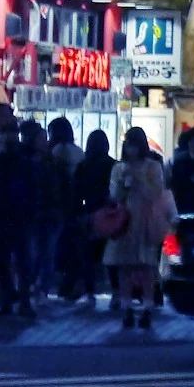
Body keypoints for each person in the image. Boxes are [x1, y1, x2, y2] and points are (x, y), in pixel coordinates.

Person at [104, 128, 176, 329]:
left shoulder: (153, 167)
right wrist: (122, 186)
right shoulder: (119, 168)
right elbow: (114, 195)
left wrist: (139, 181)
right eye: (128, 146)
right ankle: (126, 306)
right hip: (124, 221)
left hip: (147, 219)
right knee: (124, 265)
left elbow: (156, 193)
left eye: (134, 145)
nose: (131, 150)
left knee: (147, 267)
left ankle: (147, 306)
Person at [0, 111, 35, 318]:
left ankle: (17, 301)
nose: (7, 137)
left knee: (18, 263)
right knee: (6, 263)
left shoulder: (18, 162)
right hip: (3, 218)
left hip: (14, 217)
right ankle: (10, 301)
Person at [22, 121, 72, 302]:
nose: (45, 141)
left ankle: (40, 288)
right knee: (35, 253)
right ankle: (35, 287)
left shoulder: (52, 162)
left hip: (50, 214)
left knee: (46, 253)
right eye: (41, 138)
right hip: (37, 214)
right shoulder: (33, 163)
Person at [73, 130, 116, 306]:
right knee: (111, 255)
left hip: (89, 214)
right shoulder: (113, 165)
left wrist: (80, 213)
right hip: (110, 214)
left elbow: (76, 193)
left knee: (88, 256)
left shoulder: (83, 166)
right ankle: (117, 292)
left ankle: (89, 291)